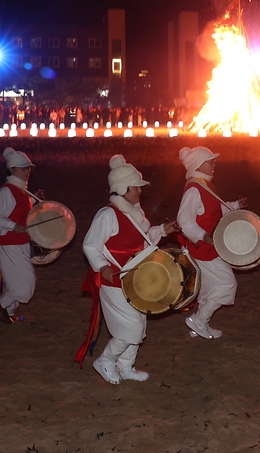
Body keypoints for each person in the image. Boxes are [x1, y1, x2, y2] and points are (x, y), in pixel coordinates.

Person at [78, 155, 177, 384]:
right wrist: (102, 266)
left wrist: (163, 230)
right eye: (136, 187)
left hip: (135, 279)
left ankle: (125, 366)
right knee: (130, 327)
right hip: (114, 280)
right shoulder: (108, 215)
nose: (140, 191)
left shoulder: (134, 214)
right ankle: (105, 360)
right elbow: (90, 244)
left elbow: (144, 242)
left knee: (140, 325)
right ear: (122, 188)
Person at [175, 146, 246, 339]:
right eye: (210, 161)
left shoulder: (204, 186)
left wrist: (234, 206)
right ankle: (199, 320)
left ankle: (199, 325)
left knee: (208, 290)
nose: (214, 163)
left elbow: (214, 211)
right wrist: (202, 235)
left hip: (207, 247)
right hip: (202, 249)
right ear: (198, 164)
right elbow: (183, 220)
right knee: (227, 285)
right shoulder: (194, 189)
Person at [0, 147, 41, 324]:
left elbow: (18, 210)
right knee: (26, 283)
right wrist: (12, 226)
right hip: (9, 244)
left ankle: (7, 311)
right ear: (12, 169)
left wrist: (33, 200)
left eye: (28, 168)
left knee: (15, 282)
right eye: (23, 168)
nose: (27, 172)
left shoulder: (21, 191)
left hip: (19, 243)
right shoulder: (6, 191)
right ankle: (0, 305)